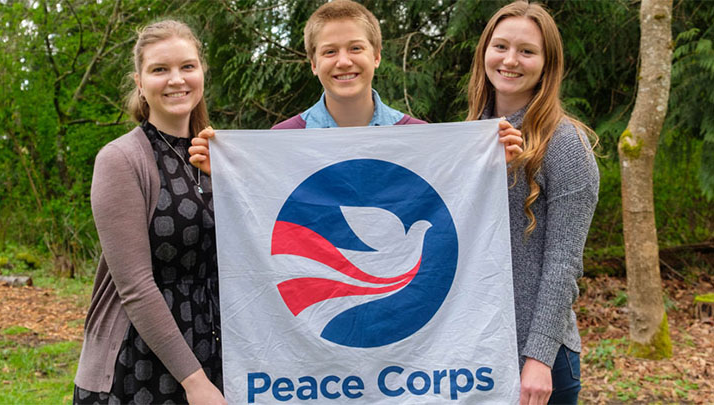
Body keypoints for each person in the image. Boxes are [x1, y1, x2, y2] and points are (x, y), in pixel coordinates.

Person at [73, 20, 226, 405]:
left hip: (216, 352)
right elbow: (135, 286)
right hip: (140, 363)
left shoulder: (221, 155)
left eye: (187, 66)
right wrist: (195, 382)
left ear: (202, 72)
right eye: (160, 69)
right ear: (140, 82)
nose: (177, 79)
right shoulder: (121, 159)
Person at [189, 0, 522, 172]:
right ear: (314, 63)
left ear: (376, 56)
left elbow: (453, 197)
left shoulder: (418, 136)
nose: (344, 61)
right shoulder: (282, 141)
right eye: (329, 52)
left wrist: (488, 162)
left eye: (356, 48)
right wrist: (223, 174)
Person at [467, 1, 599, 404]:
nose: (510, 60)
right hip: (473, 349)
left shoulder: (566, 145)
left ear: (547, 64)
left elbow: (563, 264)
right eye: (501, 46)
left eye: (527, 51)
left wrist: (539, 358)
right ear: (484, 53)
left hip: (537, 361)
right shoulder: (468, 138)